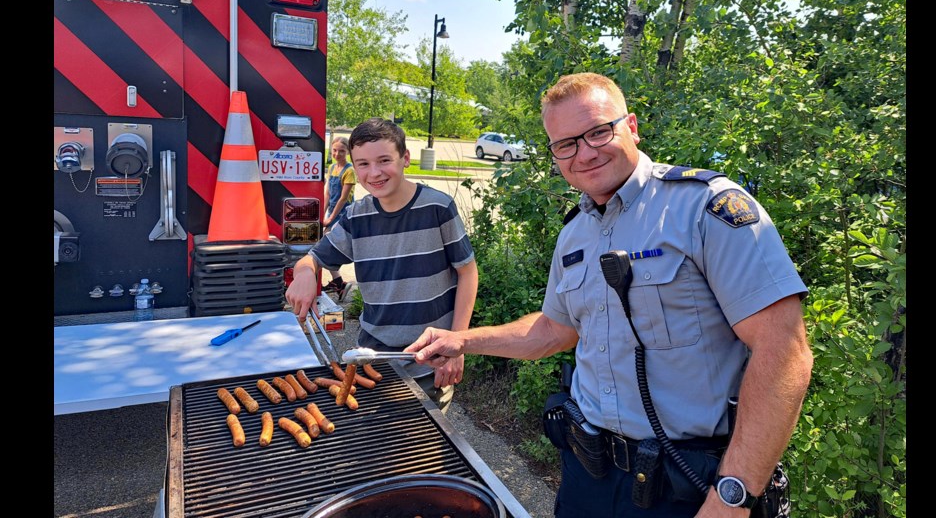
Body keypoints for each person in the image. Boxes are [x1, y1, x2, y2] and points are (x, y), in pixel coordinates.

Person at [404, 73, 813, 516]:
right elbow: (554, 329)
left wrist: (732, 497)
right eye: (566, 144)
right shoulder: (575, 234)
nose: (585, 152)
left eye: (599, 131)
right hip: (588, 475)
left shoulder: (703, 209)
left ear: (631, 126)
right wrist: (464, 340)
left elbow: (784, 352)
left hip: (689, 486)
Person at [286, 117, 478, 413]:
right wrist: (304, 274)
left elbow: (467, 273)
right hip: (372, 359)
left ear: (405, 159)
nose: (373, 173)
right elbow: (311, 259)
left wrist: (458, 344)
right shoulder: (356, 216)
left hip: (429, 362)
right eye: (362, 164)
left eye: (384, 160)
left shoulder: (437, 208)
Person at [320, 136, 356, 299]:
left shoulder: (349, 171)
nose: (337, 154)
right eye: (334, 150)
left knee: (329, 246)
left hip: (343, 213)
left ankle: (339, 282)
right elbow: (327, 194)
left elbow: (343, 198)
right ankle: (338, 282)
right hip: (332, 212)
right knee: (324, 245)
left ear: (348, 152)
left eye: (342, 151)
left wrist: (331, 219)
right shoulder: (332, 167)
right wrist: (323, 214)